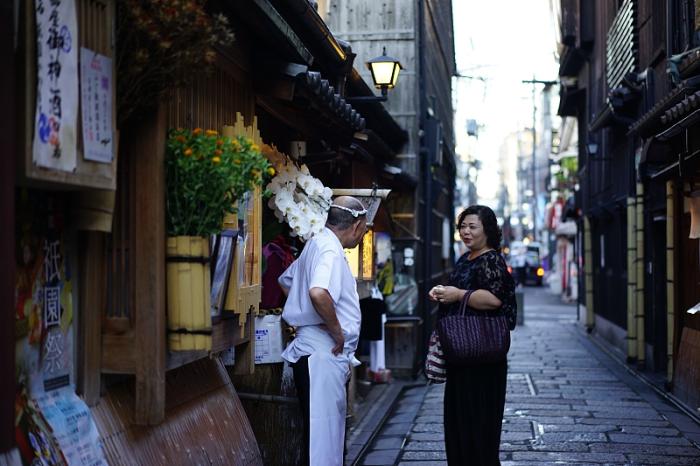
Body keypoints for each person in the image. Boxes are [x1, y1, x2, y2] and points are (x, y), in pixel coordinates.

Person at [278, 196, 368, 466]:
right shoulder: (328, 249)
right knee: (323, 440)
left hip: (314, 349)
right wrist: (336, 330)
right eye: (365, 229)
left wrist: (304, 315)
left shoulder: (316, 243)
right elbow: (318, 292)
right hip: (322, 352)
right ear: (357, 225)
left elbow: (287, 281)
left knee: (323, 435)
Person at [428, 205, 516, 466]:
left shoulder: (491, 259)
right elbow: (461, 292)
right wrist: (444, 292)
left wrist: (457, 295)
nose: (465, 231)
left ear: (487, 230)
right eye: (462, 226)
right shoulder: (465, 259)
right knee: (458, 423)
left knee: (479, 426)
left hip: (483, 357)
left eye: (472, 226)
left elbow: (493, 300)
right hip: (461, 354)